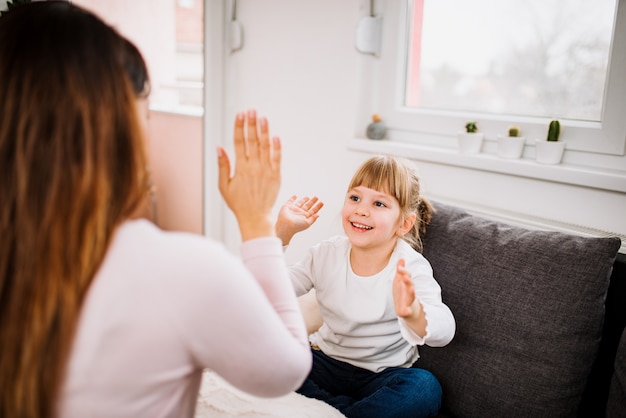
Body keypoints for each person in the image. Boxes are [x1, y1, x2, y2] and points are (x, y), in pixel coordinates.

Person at [0, 2, 311, 418]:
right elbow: (286, 368)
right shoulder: (182, 269)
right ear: (117, 129)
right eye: (143, 115)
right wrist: (258, 224)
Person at [276, 155, 456, 418]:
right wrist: (281, 234)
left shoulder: (411, 266)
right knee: (271, 345)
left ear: (404, 224)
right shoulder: (326, 253)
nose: (361, 209)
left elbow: (446, 328)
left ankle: (326, 409)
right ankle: (343, 411)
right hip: (324, 361)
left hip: (383, 376)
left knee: (424, 387)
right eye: (355, 198)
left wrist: (415, 314)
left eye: (379, 203)